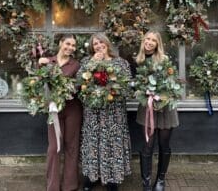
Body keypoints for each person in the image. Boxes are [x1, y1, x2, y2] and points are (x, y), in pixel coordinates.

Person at [77, 33, 132, 191]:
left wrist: (114, 89)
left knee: (112, 144)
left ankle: (112, 180)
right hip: (93, 113)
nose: (99, 45)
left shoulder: (120, 62)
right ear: (92, 47)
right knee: (93, 144)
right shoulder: (87, 61)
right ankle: (92, 177)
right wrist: (93, 63)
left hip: (114, 113)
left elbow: (127, 86)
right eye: (95, 44)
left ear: (107, 44)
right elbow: (79, 80)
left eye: (101, 42)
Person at [135, 31, 179, 191]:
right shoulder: (137, 61)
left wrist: (161, 95)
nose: (150, 42)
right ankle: (146, 182)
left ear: (158, 44)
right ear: (143, 40)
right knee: (147, 146)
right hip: (146, 109)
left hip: (165, 108)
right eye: (148, 38)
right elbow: (135, 85)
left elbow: (172, 83)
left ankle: (160, 180)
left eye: (154, 40)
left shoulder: (164, 60)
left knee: (163, 144)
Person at [39, 34, 82, 191]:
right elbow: (38, 83)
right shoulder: (48, 62)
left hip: (72, 109)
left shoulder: (76, 65)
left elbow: (78, 87)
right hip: (53, 110)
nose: (70, 48)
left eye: (73, 46)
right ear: (60, 43)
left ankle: (70, 185)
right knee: (54, 147)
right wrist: (39, 65)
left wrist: (68, 90)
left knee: (71, 146)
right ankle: (53, 186)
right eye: (67, 44)